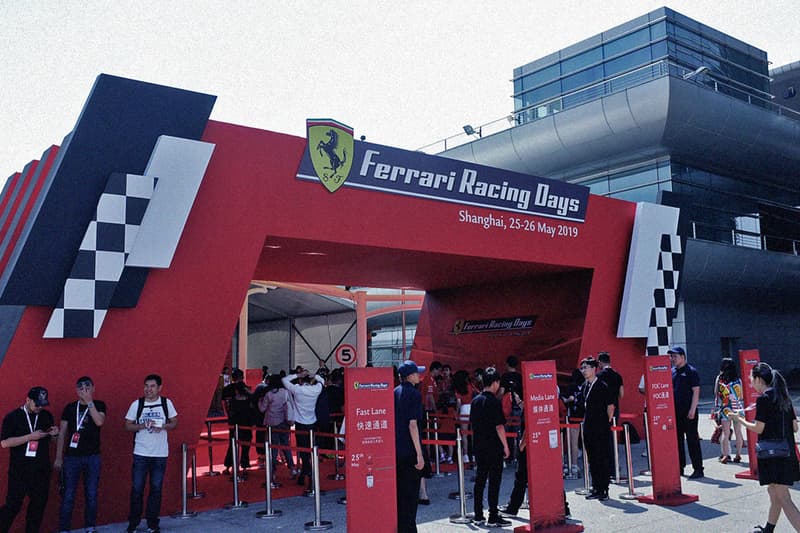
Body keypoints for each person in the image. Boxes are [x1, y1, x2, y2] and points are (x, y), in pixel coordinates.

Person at [730, 362, 800, 533]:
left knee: (783, 497)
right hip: (786, 452)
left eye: (752, 380)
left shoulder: (764, 399)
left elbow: (758, 428)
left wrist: (738, 420)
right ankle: (768, 529)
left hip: (773, 454)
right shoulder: (783, 396)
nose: (751, 383)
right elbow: (795, 427)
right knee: (774, 492)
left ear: (759, 379)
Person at [0, 386, 59, 533]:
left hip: (41, 471)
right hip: (19, 471)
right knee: (12, 506)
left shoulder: (46, 416)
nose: (40, 407)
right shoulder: (12, 417)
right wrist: (29, 437)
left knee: (37, 508)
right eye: (37, 404)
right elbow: (4, 443)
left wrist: (55, 434)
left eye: (43, 404)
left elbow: (53, 441)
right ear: (27, 400)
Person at [124, 374, 178, 533]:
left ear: (159, 388)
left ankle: (152, 524)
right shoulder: (137, 404)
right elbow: (127, 425)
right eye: (146, 386)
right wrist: (141, 426)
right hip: (140, 452)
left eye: (152, 386)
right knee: (137, 489)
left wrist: (163, 426)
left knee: (156, 489)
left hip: (160, 454)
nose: (148, 389)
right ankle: (133, 524)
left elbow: (174, 422)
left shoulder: (166, 403)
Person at [54, 376, 107, 533]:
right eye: (81, 389)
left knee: (91, 494)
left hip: (93, 457)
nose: (84, 391)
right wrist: (58, 457)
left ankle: (90, 527)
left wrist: (89, 401)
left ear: (93, 388)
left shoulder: (99, 405)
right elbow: (62, 433)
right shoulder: (69, 408)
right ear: (76, 390)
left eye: (88, 388)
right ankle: (64, 529)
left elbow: (99, 422)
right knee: (68, 495)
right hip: (72, 457)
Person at [470, 367, 511, 527]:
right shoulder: (494, 401)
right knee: (494, 481)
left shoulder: (475, 401)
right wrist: (506, 446)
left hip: (479, 446)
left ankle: (478, 514)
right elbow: (499, 427)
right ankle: (493, 515)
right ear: (494, 382)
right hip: (493, 446)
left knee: (480, 480)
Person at [395, 360, 426, 533]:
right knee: (411, 496)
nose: (419, 375)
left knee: (400, 496)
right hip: (410, 451)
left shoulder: (394, 392)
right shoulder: (414, 394)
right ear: (410, 376)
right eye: (417, 373)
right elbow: (412, 425)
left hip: (397, 451)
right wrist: (419, 454)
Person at [282, 368, 324, 490]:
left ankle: (307, 472)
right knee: (311, 450)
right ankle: (307, 473)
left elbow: (284, 380)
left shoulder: (297, 389)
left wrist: (298, 374)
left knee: (303, 451)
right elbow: (322, 381)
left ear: (300, 380)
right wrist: (313, 375)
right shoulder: (316, 389)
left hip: (300, 424)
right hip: (312, 422)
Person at [580, 357, 614, 501]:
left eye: (586, 367)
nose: (584, 370)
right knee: (592, 459)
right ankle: (596, 487)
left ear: (594, 368)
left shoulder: (602, 385)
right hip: (588, 427)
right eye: (582, 368)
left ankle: (603, 489)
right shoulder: (585, 386)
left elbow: (610, 407)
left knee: (602, 458)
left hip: (601, 428)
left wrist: (604, 422)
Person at [669, 346, 703, 479]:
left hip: (689, 412)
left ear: (683, 357)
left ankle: (698, 469)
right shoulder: (672, 371)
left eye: (675, 356)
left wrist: (692, 409)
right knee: (677, 441)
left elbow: (696, 391)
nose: (672, 359)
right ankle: (680, 467)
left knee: (692, 440)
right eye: (671, 356)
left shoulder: (691, 371)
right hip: (675, 412)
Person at [259, 374, 297, 481]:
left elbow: (262, 409)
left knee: (273, 448)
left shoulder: (269, 394)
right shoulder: (285, 392)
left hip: (272, 423)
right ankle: (292, 468)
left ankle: (273, 472)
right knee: (286, 446)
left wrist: (259, 401)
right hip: (284, 421)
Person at [597, 351, 623, 479]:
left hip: (603, 411)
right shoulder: (617, 375)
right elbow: (622, 394)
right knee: (612, 439)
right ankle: (615, 467)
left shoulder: (599, 376)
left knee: (603, 441)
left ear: (600, 362)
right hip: (615, 409)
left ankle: (607, 468)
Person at [713, 358, 745, 464]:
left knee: (725, 433)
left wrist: (717, 407)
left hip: (725, 408)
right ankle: (738, 455)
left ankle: (725, 455)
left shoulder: (720, 378)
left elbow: (716, 393)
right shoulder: (738, 380)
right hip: (737, 408)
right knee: (738, 432)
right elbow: (741, 396)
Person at [222, 369, 253, 475]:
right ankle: (244, 466)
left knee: (232, 443)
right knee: (246, 443)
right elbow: (252, 403)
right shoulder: (247, 389)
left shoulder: (227, 389)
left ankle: (228, 466)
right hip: (246, 420)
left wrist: (228, 416)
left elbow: (224, 404)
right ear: (242, 377)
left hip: (233, 419)